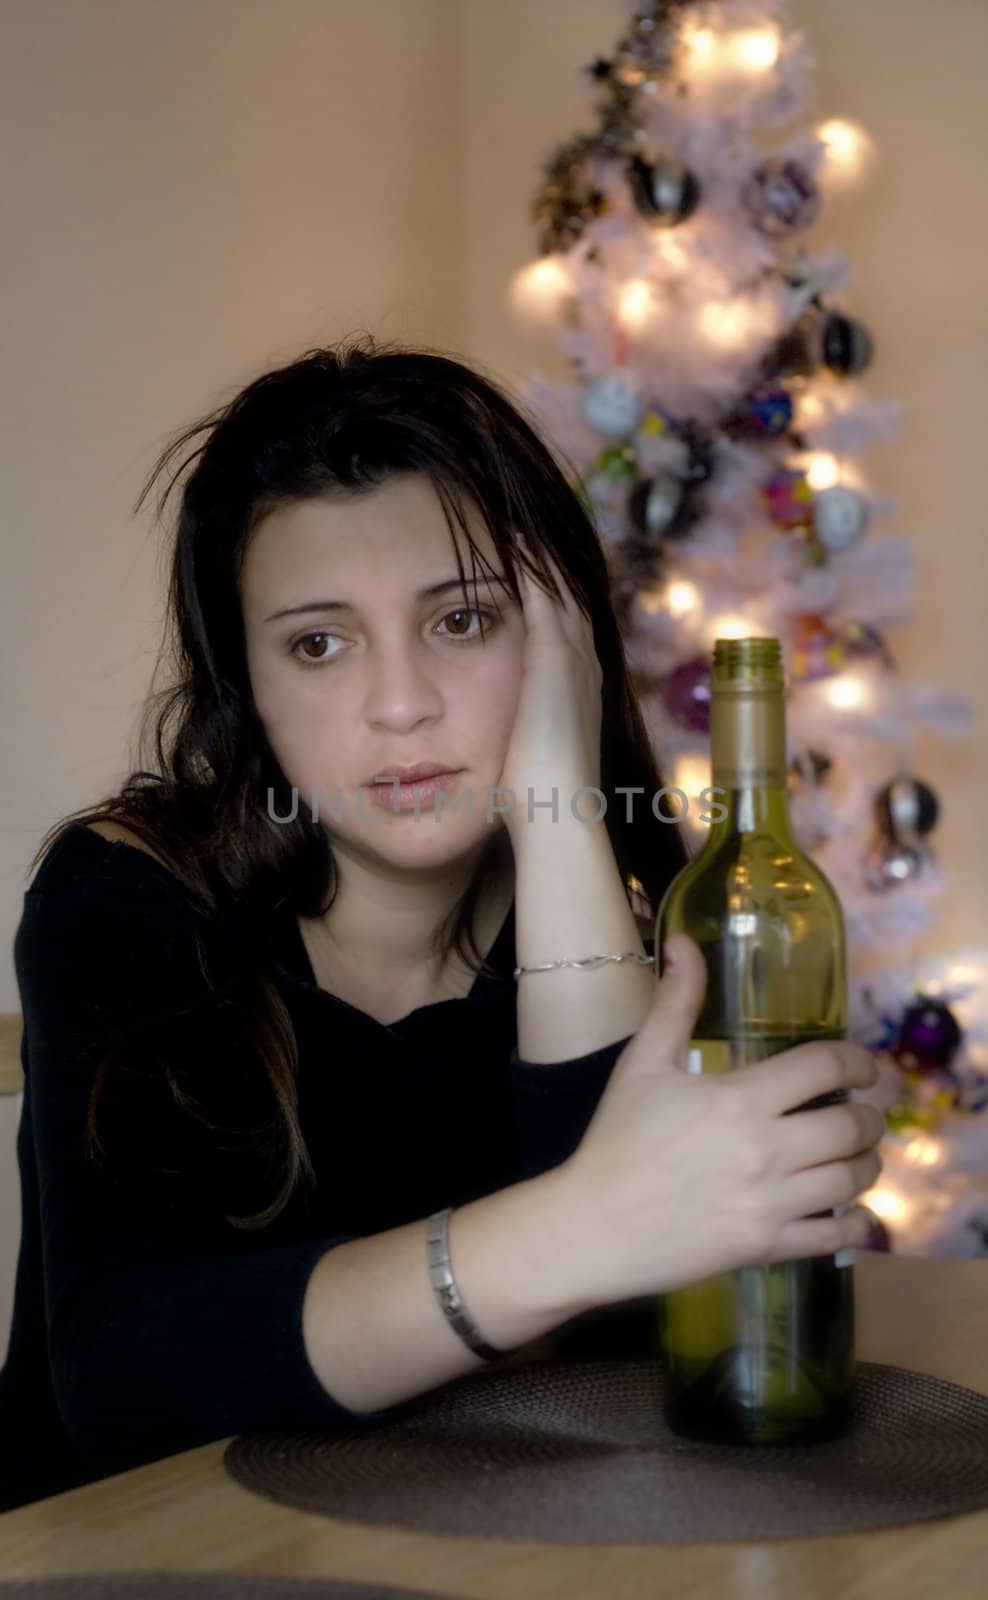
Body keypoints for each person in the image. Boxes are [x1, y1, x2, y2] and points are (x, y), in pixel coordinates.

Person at [0, 336, 884, 1514]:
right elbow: (120, 1378)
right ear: (248, 691)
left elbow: (625, 1359)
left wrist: (562, 803)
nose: (401, 704)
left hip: (468, 1550)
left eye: (463, 621)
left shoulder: (610, 894)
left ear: (557, 633)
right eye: (318, 643)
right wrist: (581, 1225)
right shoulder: (128, 893)